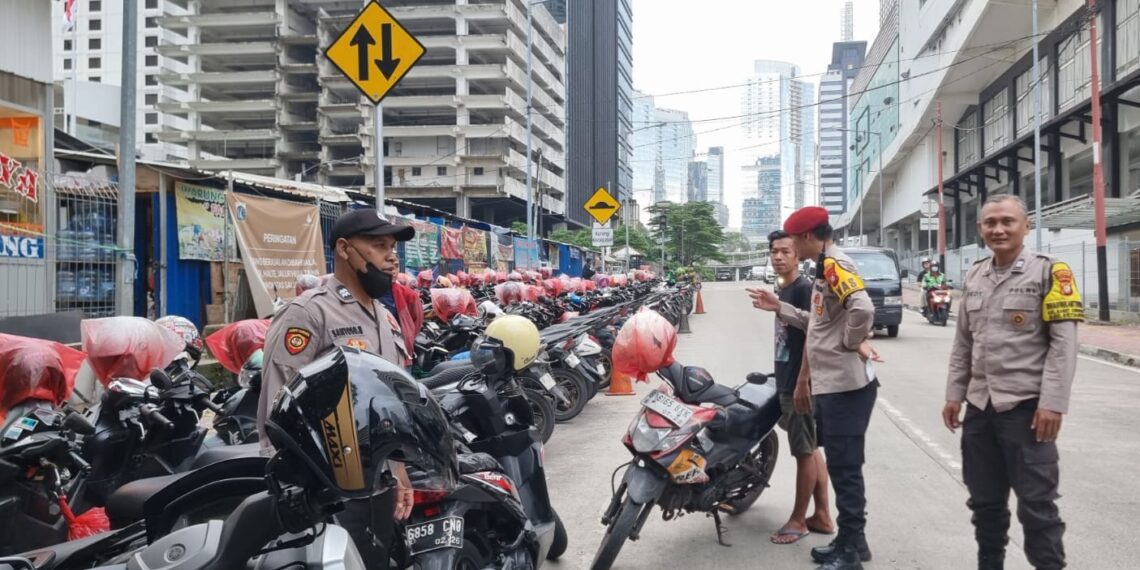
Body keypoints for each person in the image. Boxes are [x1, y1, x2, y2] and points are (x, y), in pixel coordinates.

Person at [257, 208, 417, 567]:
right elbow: (276, 411)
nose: (392, 257)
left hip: (378, 485)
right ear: (344, 249)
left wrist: (399, 471)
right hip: (328, 494)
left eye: (393, 246)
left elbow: (387, 408)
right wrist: (297, 496)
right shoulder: (309, 313)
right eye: (378, 246)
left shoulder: (384, 316)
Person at [942, 195, 1079, 570]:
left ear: (1026, 225)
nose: (998, 229)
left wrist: (1053, 403)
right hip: (980, 409)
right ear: (980, 229)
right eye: (990, 223)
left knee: (1038, 507)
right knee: (984, 503)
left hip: (1027, 411)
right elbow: (964, 343)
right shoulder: (975, 274)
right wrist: (955, 394)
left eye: (1007, 221)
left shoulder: (1051, 272)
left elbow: (1064, 345)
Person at [750, 206, 879, 570]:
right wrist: (780, 308)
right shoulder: (824, 268)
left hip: (845, 385)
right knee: (841, 465)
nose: (788, 249)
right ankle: (853, 541)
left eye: (793, 242)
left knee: (845, 469)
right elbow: (817, 323)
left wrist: (852, 342)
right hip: (835, 386)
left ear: (807, 238)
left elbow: (863, 310)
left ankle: (850, 553)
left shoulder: (836, 266)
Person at [749, 230, 833, 546]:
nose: (779, 256)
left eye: (786, 251)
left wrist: (801, 381)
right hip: (788, 378)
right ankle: (823, 515)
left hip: (801, 384)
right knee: (810, 449)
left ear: (798, 254)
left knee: (802, 452)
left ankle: (799, 519)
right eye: (774, 251)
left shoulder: (803, 289)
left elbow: (817, 329)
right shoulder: (783, 288)